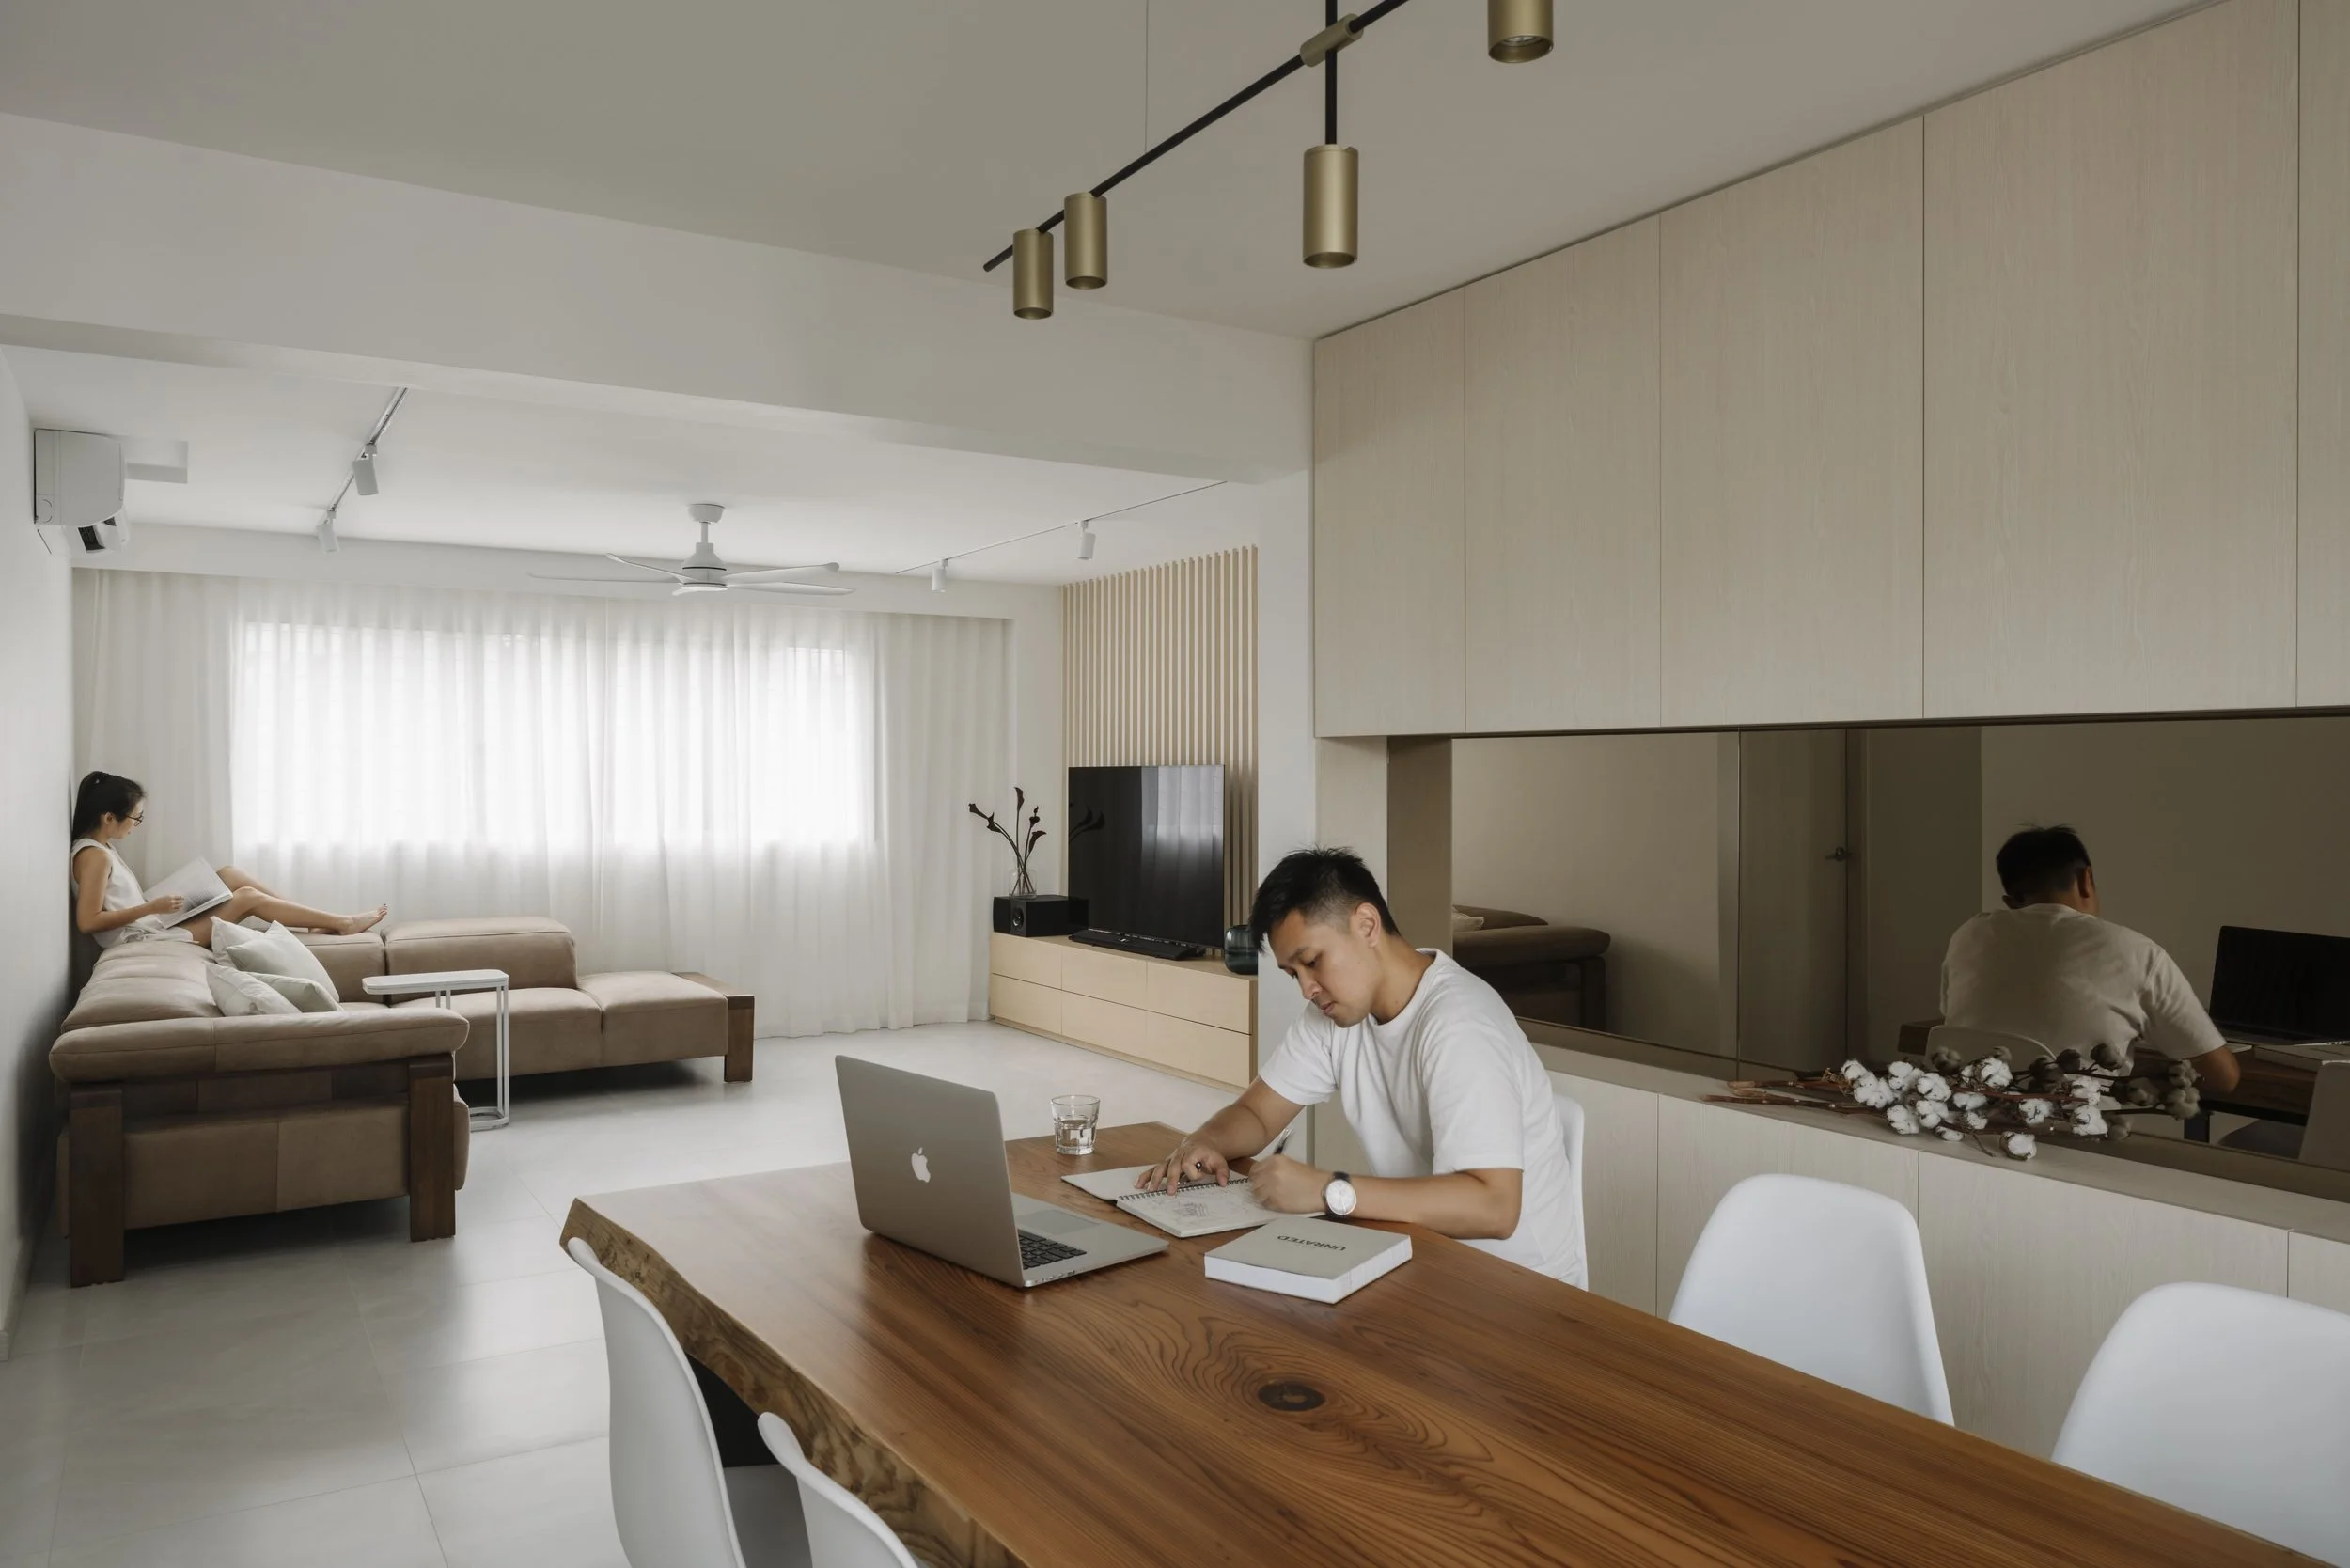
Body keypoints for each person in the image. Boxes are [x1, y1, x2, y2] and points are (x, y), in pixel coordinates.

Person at [1139, 847, 1585, 1286]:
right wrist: (1204, 1141)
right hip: (1428, 1262)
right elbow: (1258, 1114)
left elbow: (1495, 1206)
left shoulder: (1460, 1024)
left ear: (1367, 925)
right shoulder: (1336, 1014)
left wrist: (1325, 1190)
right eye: (1294, 973)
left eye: (1312, 962)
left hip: (1525, 1294)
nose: (1307, 989)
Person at [1940, 825, 2239, 1094]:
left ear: (2011, 903)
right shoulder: (2136, 951)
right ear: (2087, 879)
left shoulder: (1969, 935)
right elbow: (2223, 1077)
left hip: (1964, 1125)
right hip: (2078, 1136)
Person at [70, 770, 386, 950]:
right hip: (144, 939)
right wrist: (152, 907)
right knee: (246, 898)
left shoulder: (100, 848)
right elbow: (89, 922)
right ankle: (342, 923)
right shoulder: (95, 857)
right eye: (135, 818)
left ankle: (311, 923)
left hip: (151, 923)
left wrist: (155, 908)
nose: (137, 824)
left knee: (229, 874)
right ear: (109, 817)